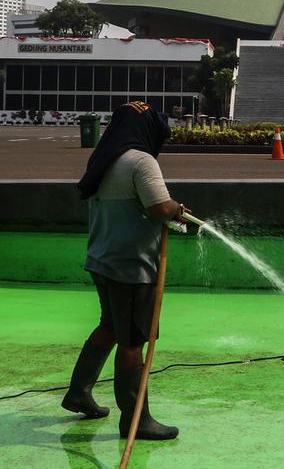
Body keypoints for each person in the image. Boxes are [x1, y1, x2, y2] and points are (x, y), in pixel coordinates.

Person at [64, 101, 187, 440]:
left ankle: (78, 393)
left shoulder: (104, 159)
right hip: (130, 266)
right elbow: (160, 207)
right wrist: (177, 209)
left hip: (102, 259)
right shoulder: (141, 161)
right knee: (132, 341)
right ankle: (136, 419)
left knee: (110, 327)